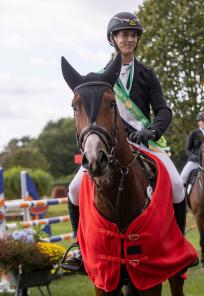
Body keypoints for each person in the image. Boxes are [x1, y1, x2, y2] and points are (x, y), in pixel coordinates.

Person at [67, 12, 186, 236]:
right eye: (123, 35)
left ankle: (179, 243)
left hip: (144, 142)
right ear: (113, 38)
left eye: (133, 35)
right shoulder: (100, 78)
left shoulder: (147, 74)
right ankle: (78, 247)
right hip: (110, 144)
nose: (129, 39)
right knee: (73, 190)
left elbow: (163, 110)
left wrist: (152, 131)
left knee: (178, 186)